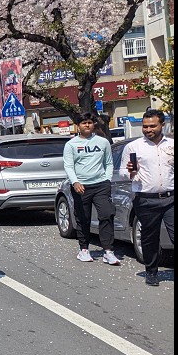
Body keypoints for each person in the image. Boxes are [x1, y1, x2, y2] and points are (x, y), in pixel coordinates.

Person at [120, 108, 174, 286]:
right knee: (150, 238)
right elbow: (121, 174)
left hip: (171, 198)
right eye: (145, 126)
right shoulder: (133, 147)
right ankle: (151, 272)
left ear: (162, 125)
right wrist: (130, 172)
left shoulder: (171, 146)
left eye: (152, 126)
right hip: (145, 199)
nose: (148, 129)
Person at [63, 112, 119, 265]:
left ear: (94, 124)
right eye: (83, 123)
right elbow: (68, 165)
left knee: (107, 214)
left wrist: (107, 179)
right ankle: (84, 249)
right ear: (78, 126)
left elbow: (108, 163)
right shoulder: (71, 145)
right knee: (83, 218)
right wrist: (75, 182)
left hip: (101, 185)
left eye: (89, 122)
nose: (87, 125)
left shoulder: (102, 142)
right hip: (81, 186)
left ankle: (108, 251)